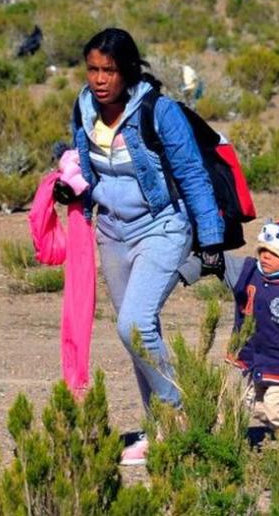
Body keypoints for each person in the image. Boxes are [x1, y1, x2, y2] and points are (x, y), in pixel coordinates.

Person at [54, 27, 224, 465]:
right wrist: (73, 191)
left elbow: (191, 175)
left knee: (133, 323)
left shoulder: (159, 111)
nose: (99, 79)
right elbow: (86, 168)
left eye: (108, 70)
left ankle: (180, 413)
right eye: (92, 69)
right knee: (138, 334)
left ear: (127, 70)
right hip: (111, 230)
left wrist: (210, 239)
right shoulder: (84, 107)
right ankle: (159, 429)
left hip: (162, 227)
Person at [214, 209, 279, 446]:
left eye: (271, 254)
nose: (263, 257)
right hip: (255, 360)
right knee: (254, 407)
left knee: (277, 410)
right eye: (262, 251)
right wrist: (210, 259)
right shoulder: (250, 273)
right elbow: (223, 265)